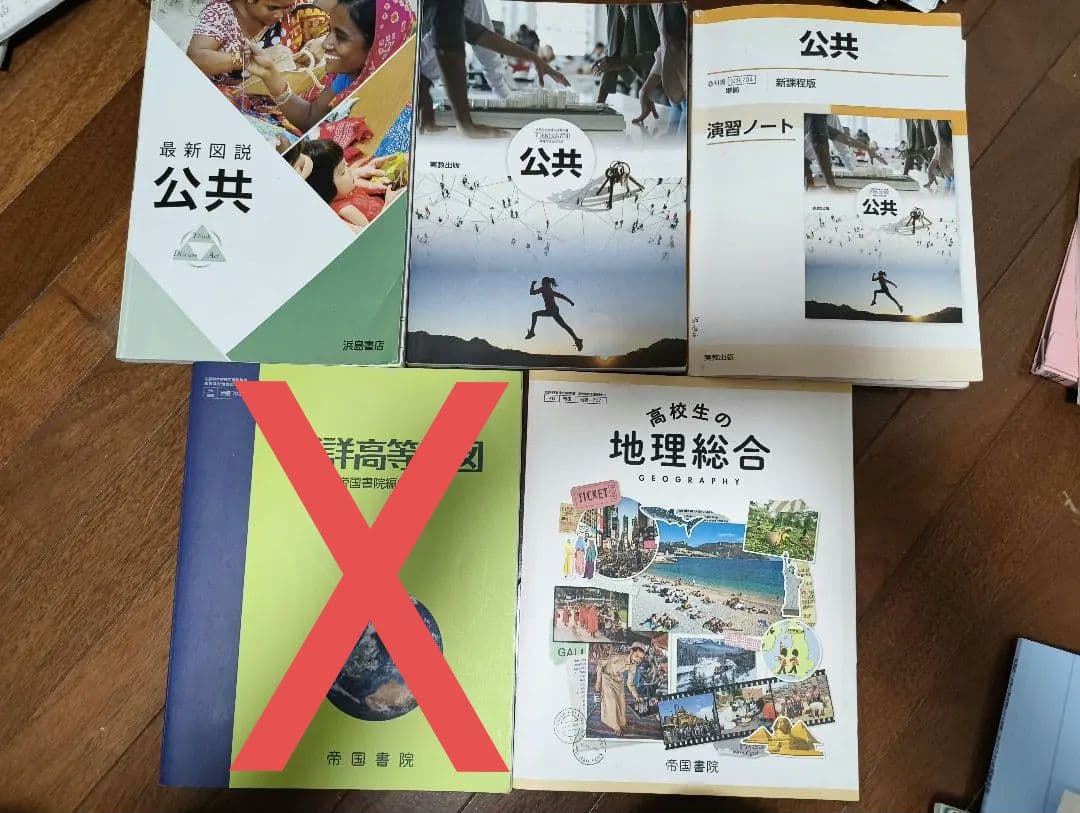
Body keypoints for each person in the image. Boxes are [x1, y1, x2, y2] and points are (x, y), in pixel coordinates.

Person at [244, 0, 415, 137]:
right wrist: (271, 77)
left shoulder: (397, 106)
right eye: (330, 31)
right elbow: (311, 118)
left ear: (376, 47)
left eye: (341, 36)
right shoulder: (347, 78)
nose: (326, 43)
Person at [187, 0, 330, 145]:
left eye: (285, 8)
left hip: (287, 99)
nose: (280, 15)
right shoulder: (220, 13)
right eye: (272, 7)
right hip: (239, 103)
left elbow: (331, 28)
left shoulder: (292, 9)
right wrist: (246, 60)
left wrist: (320, 42)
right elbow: (196, 59)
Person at [420, 0, 567, 136]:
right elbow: (448, 45)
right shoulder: (437, 11)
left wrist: (534, 58)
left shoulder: (453, 11)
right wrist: (465, 123)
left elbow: (483, 37)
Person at [294, 138, 394, 230]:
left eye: (346, 164)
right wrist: (388, 204)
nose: (349, 170)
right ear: (327, 189)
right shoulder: (347, 210)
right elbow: (374, 231)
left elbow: (365, 185)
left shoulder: (346, 189)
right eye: (342, 172)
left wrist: (376, 186)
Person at [633, 2, 688, 134]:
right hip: (676, 95)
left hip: (694, 92)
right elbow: (666, 46)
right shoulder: (656, 4)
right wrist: (646, 89)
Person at [804, 113, 883, 189]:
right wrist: (831, 185)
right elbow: (820, 145)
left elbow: (840, 137)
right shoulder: (815, 116)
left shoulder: (820, 120)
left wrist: (867, 149)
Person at [595, 643, 646, 736]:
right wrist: (598, 683)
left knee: (622, 703)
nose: (638, 659)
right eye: (637, 656)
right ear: (631, 652)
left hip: (619, 682)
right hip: (607, 679)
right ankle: (616, 727)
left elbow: (630, 683)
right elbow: (600, 664)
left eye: (640, 658)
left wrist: (637, 696)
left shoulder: (633, 666)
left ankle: (622, 723)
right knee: (612, 702)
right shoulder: (618, 657)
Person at [525, 277, 583, 351]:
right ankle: (577, 340)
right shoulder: (549, 289)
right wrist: (570, 301)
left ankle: (531, 332)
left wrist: (532, 284)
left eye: (542, 282)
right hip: (553, 310)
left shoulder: (544, 288)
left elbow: (532, 293)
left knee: (534, 314)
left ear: (545, 283)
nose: (541, 283)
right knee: (565, 326)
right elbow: (561, 295)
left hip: (552, 310)